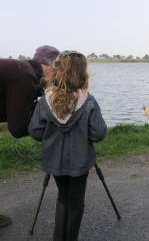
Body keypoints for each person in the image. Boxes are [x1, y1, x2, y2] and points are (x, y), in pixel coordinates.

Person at [28, 50, 107, 241]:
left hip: (54, 162)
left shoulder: (46, 101)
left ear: (57, 72)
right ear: (82, 73)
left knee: (63, 196)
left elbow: (35, 131)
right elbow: (98, 133)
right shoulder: (88, 102)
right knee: (76, 202)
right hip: (79, 163)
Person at [0, 45, 60, 228]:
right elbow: (18, 129)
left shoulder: (23, 71)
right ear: (47, 65)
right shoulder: (25, 76)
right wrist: (50, 128)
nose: (58, 76)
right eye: (58, 69)